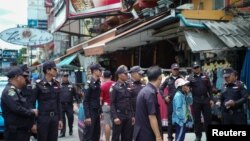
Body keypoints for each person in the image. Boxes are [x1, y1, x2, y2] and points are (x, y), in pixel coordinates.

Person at [1, 66, 38, 141]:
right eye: (23, 77)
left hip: (21, 132)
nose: (25, 79)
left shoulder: (17, 91)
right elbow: (17, 108)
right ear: (17, 77)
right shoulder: (9, 91)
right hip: (15, 133)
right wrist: (32, 112)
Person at [33, 61, 63, 141]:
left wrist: (60, 119)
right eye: (54, 69)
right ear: (48, 71)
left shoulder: (57, 84)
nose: (56, 71)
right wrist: (33, 123)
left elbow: (58, 103)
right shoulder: (38, 84)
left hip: (54, 118)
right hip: (43, 118)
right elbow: (32, 104)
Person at [133, 66, 163, 141]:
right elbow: (152, 116)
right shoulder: (150, 93)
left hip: (142, 132)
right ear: (159, 77)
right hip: (147, 134)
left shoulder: (145, 90)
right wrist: (158, 137)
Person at [187, 61, 214, 141]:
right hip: (196, 100)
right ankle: (198, 136)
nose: (197, 69)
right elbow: (187, 89)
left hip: (205, 99)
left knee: (208, 119)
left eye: (198, 67)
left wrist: (212, 99)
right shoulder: (190, 78)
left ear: (200, 67)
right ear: (192, 69)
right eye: (195, 68)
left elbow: (209, 88)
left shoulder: (205, 76)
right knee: (197, 119)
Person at [110, 65, 134, 141]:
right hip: (119, 115)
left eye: (127, 74)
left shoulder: (127, 85)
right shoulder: (114, 87)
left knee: (127, 137)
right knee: (116, 137)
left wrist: (132, 115)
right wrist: (115, 117)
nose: (127, 75)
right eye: (125, 74)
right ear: (119, 75)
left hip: (128, 115)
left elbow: (130, 102)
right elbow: (112, 103)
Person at [159, 63, 182, 141]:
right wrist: (165, 97)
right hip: (171, 102)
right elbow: (161, 89)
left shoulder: (181, 79)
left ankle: (178, 137)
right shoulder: (168, 79)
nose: (176, 71)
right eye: (174, 69)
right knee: (170, 121)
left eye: (177, 69)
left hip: (180, 103)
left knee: (179, 121)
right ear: (171, 70)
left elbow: (186, 89)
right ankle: (169, 138)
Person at [83, 63, 104, 141]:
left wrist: (101, 111)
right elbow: (85, 101)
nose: (101, 72)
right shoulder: (88, 84)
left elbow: (98, 99)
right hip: (91, 112)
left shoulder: (98, 83)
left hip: (96, 112)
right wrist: (87, 116)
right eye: (100, 70)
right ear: (94, 71)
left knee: (96, 134)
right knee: (88, 135)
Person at [59, 72, 80, 137]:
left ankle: (70, 129)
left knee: (70, 118)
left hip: (69, 105)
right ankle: (63, 132)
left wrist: (78, 102)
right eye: (64, 76)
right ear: (61, 77)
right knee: (62, 119)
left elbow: (75, 94)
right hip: (61, 105)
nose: (65, 78)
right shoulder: (59, 85)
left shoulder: (72, 85)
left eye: (66, 76)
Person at [100, 70, 114, 141]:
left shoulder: (102, 86)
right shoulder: (115, 84)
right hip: (114, 106)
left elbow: (101, 99)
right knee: (116, 124)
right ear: (111, 76)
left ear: (103, 77)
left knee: (107, 124)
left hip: (105, 106)